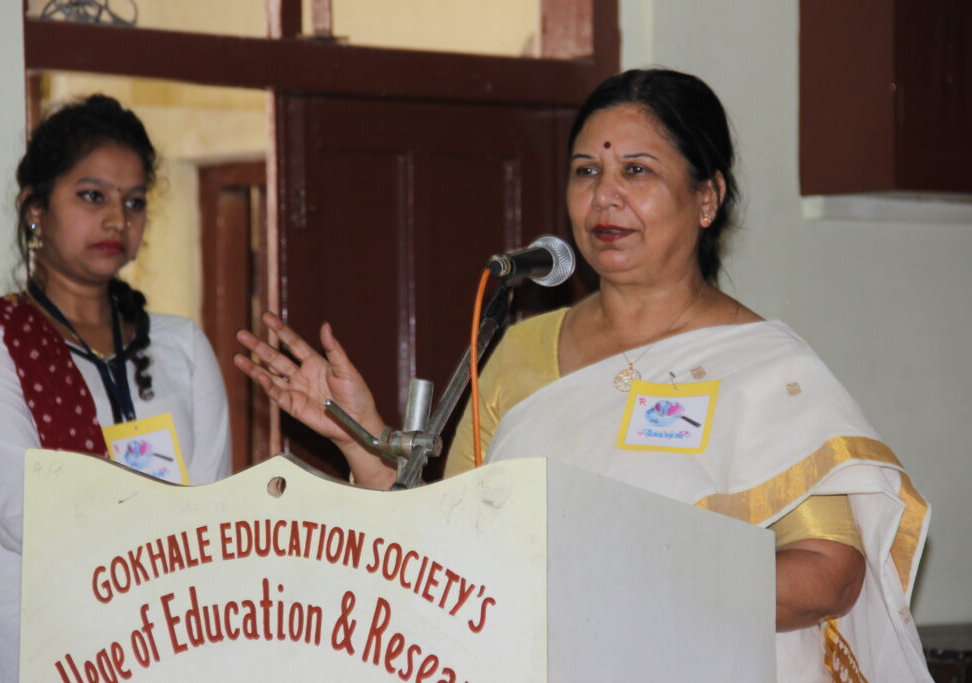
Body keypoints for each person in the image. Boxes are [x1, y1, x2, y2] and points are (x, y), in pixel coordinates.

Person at [233, 69, 931, 681]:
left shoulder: (765, 369)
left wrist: (620, 579)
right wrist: (360, 437)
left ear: (708, 197)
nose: (605, 198)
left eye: (637, 171)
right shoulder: (519, 351)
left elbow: (828, 577)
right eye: (586, 171)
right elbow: (451, 548)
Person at [0, 95, 232, 682]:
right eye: (92, 195)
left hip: (164, 644)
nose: (118, 220)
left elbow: (212, 518)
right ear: (35, 209)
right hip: (20, 649)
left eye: (134, 201)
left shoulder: (181, 346)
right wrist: (163, 518)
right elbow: (26, 514)